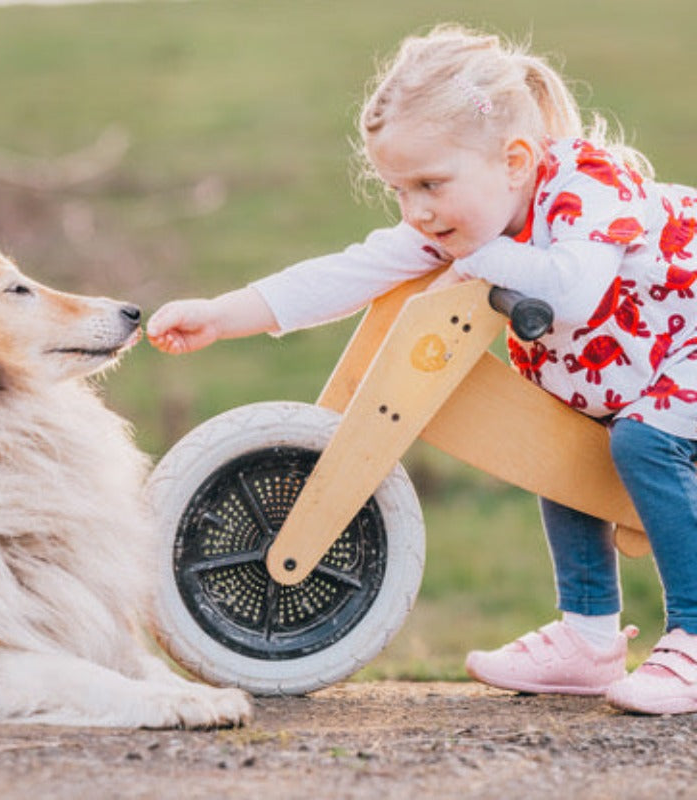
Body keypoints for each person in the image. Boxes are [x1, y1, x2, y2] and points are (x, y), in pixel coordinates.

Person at [147, 24, 697, 715]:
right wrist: (225, 313)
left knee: (645, 441)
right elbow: (349, 271)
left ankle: (694, 634)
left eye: (430, 184)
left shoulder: (590, 187)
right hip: (624, 368)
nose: (417, 212)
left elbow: (574, 291)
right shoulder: (468, 218)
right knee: (553, 447)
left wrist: (475, 259)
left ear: (516, 159)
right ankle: (587, 638)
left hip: (687, 345)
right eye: (400, 190)